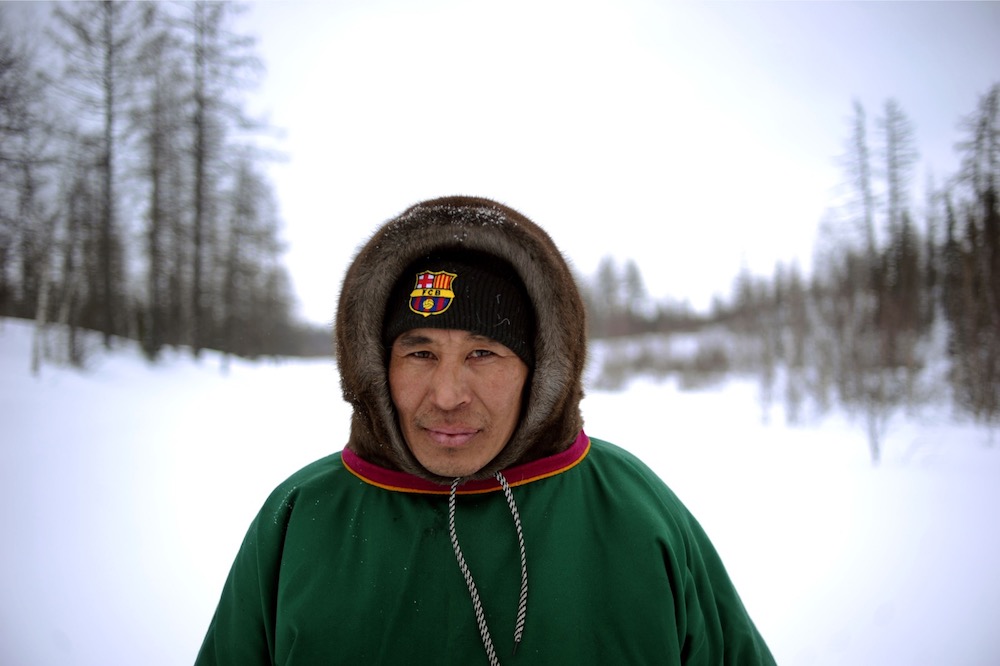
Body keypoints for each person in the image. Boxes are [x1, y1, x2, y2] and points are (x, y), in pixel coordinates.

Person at [195, 195, 775, 665]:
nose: (447, 396)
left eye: (484, 354)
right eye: (420, 353)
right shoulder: (301, 516)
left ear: (540, 371)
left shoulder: (634, 511)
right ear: (377, 365)